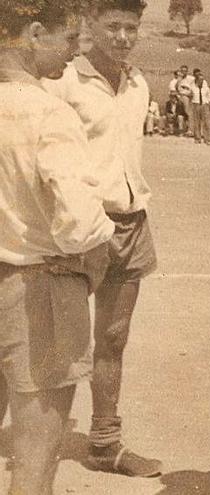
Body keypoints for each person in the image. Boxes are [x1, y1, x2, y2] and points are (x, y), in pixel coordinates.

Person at [40, 0, 164, 478]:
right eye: (113, 26)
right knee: (56, 341)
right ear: (91, 25)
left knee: (114, 338)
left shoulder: (138, 83)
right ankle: (34, 439)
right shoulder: (66, 80)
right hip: (76, 228)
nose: (123, 37)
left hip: (132, 222)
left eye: (131, 27)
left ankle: (105, 444)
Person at [0, 3, 116, 492]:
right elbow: (77, 222)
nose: (76, 52)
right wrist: (97, 250)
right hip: (39, 285)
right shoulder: (49, 112)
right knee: (34, 459)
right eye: (69, 39)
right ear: (34, 33)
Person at [190, 68, 210, 144]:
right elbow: (190, 93)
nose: (201, 81)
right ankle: (197, 138)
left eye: (202, 80)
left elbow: (208, 95)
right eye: (200, 80)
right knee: (196, 122)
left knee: (206, 122)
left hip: (204, 104)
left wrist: (209, 104)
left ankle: (208, 139)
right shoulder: (192, 84)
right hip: (196, 104)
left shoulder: (205, 84)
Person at [176, 64, 195, 133]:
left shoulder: (191, 78)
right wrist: (179, 79)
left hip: (187, 96)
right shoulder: (179, 78)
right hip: (180, 96)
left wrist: (190, 94)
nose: (183, 72)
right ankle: (180, 129)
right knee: (180, 113)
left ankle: (190, 130)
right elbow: (177, 88)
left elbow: (193, 88)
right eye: (182, 71)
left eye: (185, 71)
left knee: (189, 112)